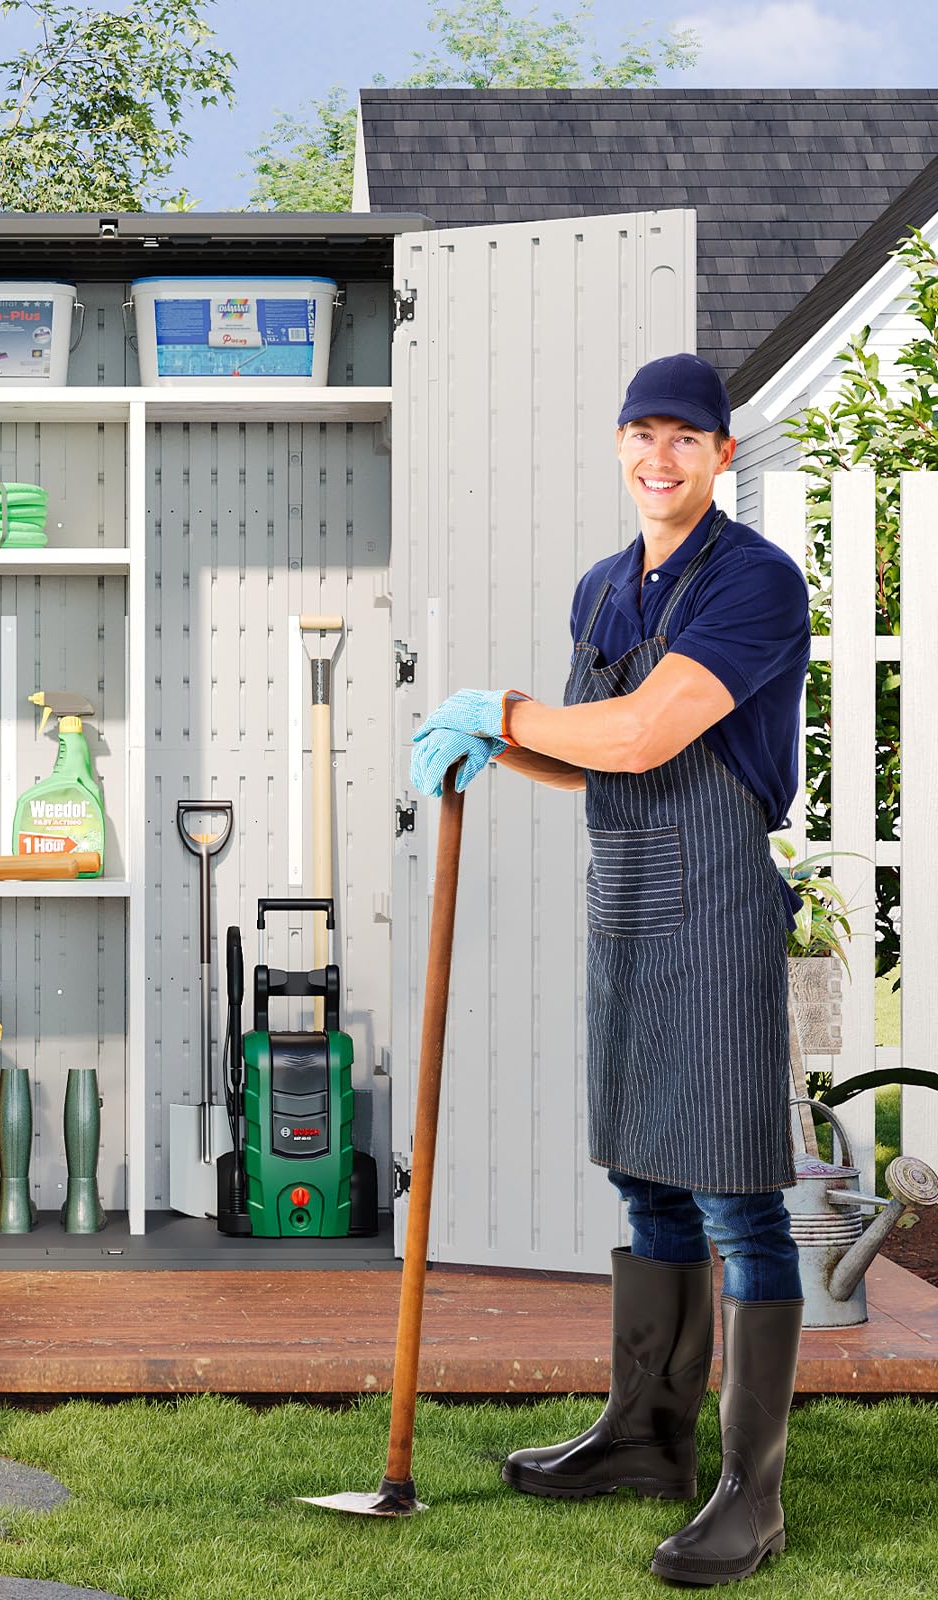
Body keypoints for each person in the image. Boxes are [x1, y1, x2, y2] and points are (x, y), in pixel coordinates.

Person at [410, 353, 811, 1587]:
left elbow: (646, 729)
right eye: (641, 434)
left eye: (685, 437)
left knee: (736, 1191)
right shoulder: (603, 585)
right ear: (619, 447)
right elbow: (594, 761)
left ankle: (752, 1493)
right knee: (643, 1172)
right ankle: (646, 1436)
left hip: (721, 897)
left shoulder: (751, 580)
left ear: (720, 456)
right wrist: (488, 743)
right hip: (628, 895)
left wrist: (505, 705)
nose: (659, 456)